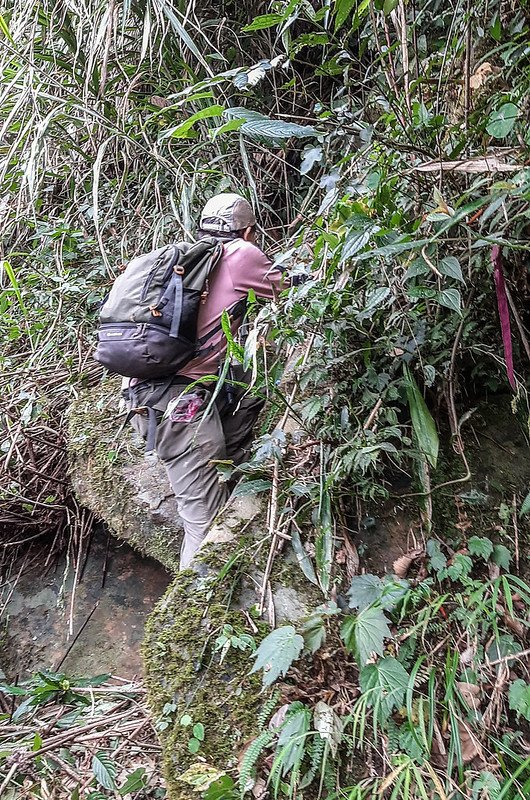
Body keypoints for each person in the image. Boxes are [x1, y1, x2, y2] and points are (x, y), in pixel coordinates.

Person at [123, 193, 283, 569]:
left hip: (148, 396)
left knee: (210, 496)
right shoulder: (242, 254)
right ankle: (196, 617)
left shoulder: (186, 259)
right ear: (247, 230)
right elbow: (289, 291)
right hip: (180, 406)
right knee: (204, 523)